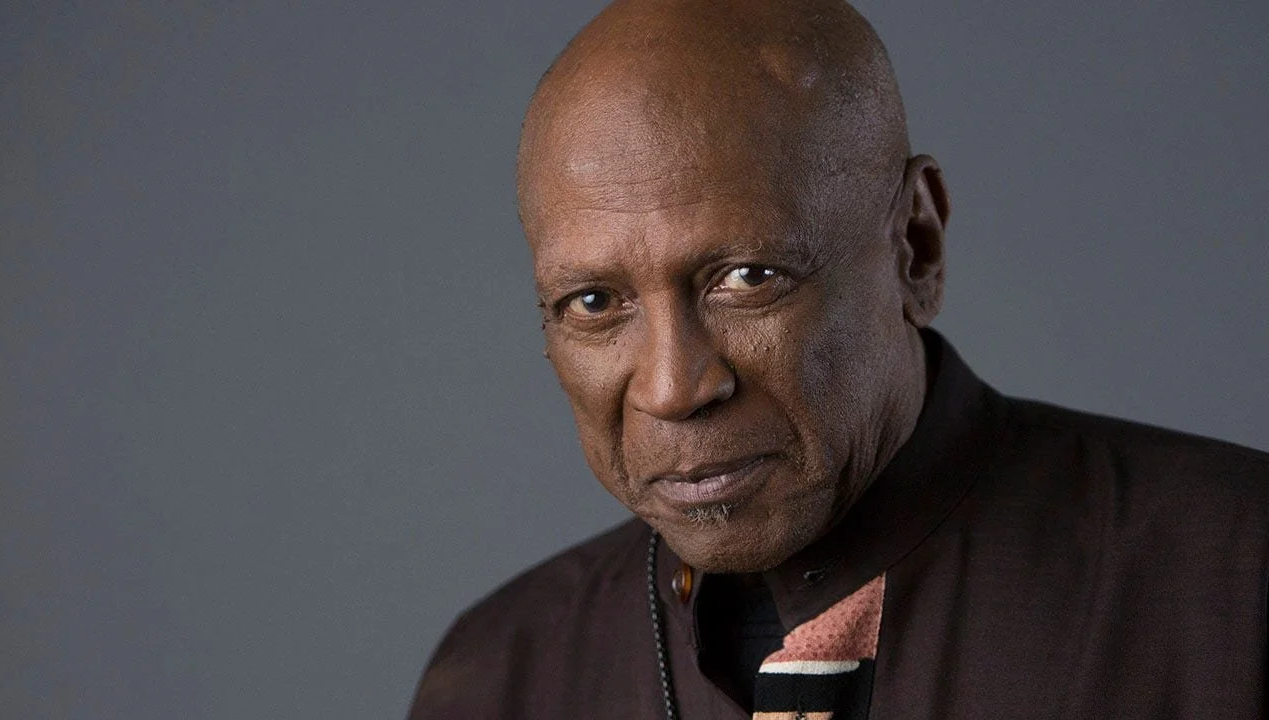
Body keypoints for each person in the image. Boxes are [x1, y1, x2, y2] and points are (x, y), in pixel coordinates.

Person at [409, 0, 1268, 717]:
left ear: (916, 246)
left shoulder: (1238, 586)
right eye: (595, 303)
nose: (673, 389)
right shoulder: (498, 679)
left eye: (749, 278)